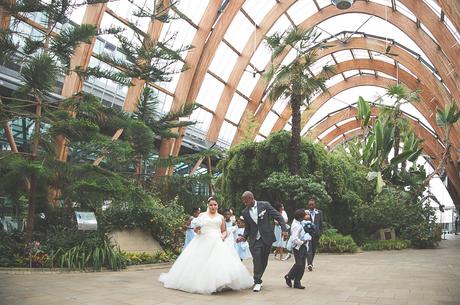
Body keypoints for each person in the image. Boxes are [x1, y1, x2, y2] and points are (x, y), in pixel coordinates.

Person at [159, 197, 253, 294]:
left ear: (217, 206)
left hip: (217, 240)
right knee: (200, 261)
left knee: (218, 263)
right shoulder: (202, 215)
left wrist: (222, 237)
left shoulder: (221, 217)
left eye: (215, 205)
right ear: (208, 205)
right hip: (203, 239)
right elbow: (196, 228)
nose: (213, 206)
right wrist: (197, 230)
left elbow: (224, 230)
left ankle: (218, 283)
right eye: (211, 205)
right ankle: (201, 283)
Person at [238, 191, 288, 292]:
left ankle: (258, 278)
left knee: (264, 261)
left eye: (246, 201)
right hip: (254, 240)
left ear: (251, 198)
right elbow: (248, 227)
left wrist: (284, 229)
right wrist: (243, 237)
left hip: (266, 238)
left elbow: (278, 216)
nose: (245, 204)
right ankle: (257, 281)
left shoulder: (265, 205)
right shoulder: (245, 212)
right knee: (256, 260)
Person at [284, 209, 311, 289]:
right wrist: (302, 242)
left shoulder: (298, 222)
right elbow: (294, 238)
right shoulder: (296, 226)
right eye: (303, 216)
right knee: (299, 264)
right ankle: (289, 276)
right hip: (298, 247)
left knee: (301, 264)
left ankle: (297, 281)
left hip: (302, 246)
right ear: (300, 217)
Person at [307, 198, 323, 270]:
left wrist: (320, 232)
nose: (311, 206)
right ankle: (309, 264)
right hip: (308, 234)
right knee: (309, 249)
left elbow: (321, 223)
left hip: (316, 234)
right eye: (309, 205)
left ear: (315, 205)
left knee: (313, 249)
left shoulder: (319, 212)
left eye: (312, 204)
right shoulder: (306, 212)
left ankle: (311, 262)